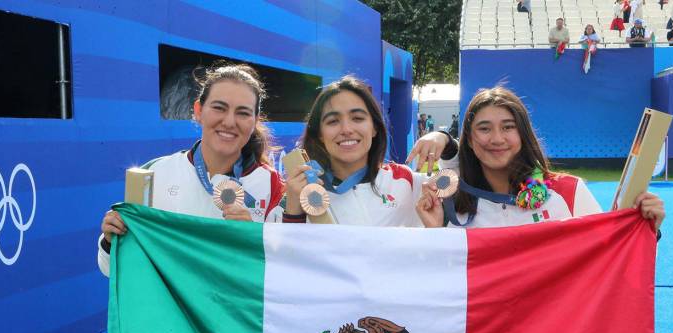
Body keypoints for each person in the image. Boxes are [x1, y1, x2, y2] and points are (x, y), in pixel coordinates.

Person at [97, 64, 285, 276]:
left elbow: (280, 275)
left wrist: (252, 241)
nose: (230, 122)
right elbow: (111, 269)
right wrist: (111, 240)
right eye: (219, 108)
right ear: (198, 111)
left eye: (243, 113)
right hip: (169, 309)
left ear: (254, 122)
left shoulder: (271, 184)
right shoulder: (154, 174)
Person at [415, 86, 665, 232]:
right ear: (469, 139)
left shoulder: (568, 192)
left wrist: (645, 228)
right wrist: (435, 233)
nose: (497, 138)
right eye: (484, 128)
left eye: (508, 127)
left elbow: (610, 257)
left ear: (522, 134)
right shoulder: (448, 203)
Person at [282, 76, 457, 227]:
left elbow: (467, 186)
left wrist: (445, 140)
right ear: (320, 134)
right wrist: (293, 213)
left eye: (357, 118)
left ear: (374, 128)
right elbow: (281, 258)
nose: (346, 129)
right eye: (333, 121)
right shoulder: (304, 191)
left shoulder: (405, 181)